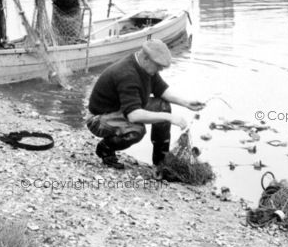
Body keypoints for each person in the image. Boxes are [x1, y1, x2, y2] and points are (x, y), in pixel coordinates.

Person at [85, 39, 205, 172]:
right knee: (137, 130)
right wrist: (169, 117)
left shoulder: (146, 68)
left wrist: (186, 103)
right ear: (146, 58)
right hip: (99, 118)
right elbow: (134, 115)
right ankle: (106, 148)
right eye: (159, 65)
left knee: (163, 106)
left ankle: (160, 161)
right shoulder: (127, 74)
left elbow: (161, 90)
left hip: (120, 108)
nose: (161, 69)